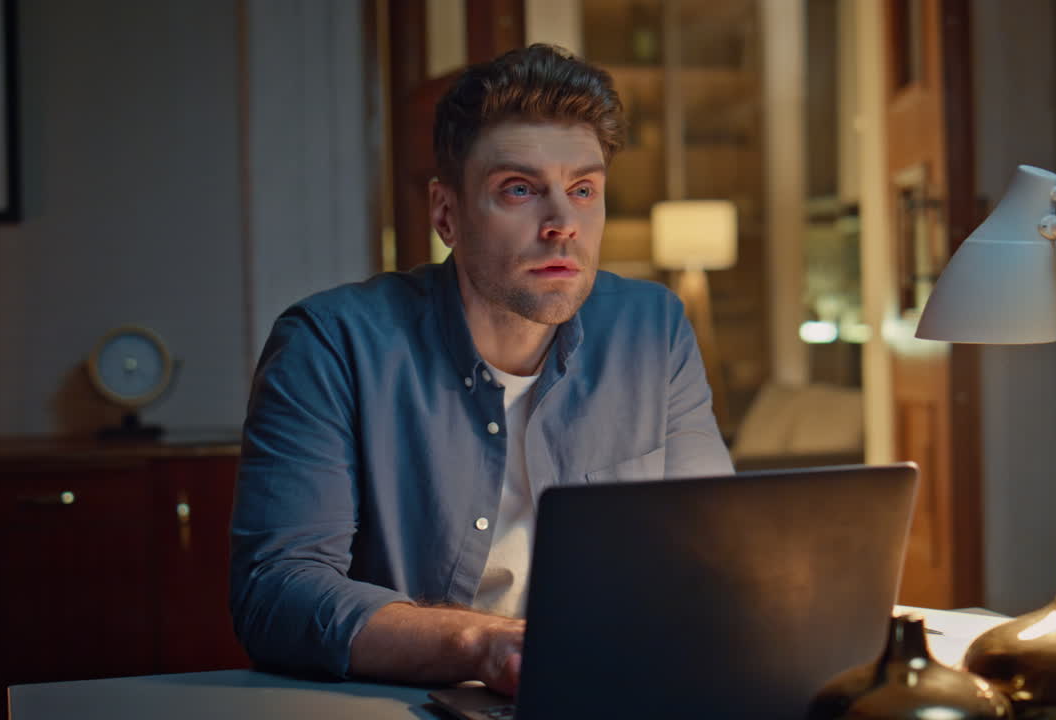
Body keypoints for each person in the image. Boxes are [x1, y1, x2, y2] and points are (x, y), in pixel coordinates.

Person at [229, 43, 733, 697]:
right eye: (518, 190)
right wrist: (487, 645)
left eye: (583, 190)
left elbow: (715, 550)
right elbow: (279, 593)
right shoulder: (329, 344)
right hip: (408, 704)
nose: (562, 224)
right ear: (447, 214)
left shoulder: (653, 329)